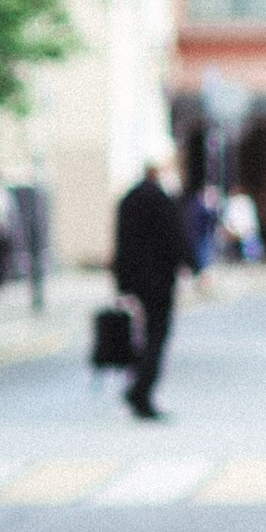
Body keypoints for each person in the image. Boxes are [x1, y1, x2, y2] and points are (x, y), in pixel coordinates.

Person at [112, 153, 193, 420]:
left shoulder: (129, 199)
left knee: (143, 334)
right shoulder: (161, 199)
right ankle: (141, 391)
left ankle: (138, 387)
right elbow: (175, 237)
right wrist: (193, 265)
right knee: (157, 336)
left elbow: (121, 241)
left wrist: (122, 281)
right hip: (159, 280)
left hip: (135, 280)